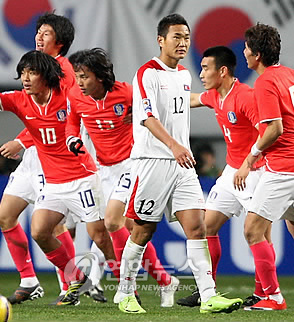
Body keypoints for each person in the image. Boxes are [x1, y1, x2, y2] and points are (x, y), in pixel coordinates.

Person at [0, 50, 118, 307]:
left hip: (83, 175)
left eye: (32, 72)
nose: (25, 79)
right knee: (39, 230)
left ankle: (125, 282)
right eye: (23, 73)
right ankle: (75, 278)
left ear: (47, 76)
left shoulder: (69, 97)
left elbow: (99, 103)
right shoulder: (20, 100)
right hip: (53, 180)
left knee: (99, 235)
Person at [113, 14, 243, 314]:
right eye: (176, 37)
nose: (183, 42)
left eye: (186, 37)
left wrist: (215, 97)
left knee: (196, 227)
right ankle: (125, 292)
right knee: (143, 230)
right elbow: (146, 117)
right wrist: (174, 146)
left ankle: (208, 295)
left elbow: (185, 102)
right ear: (161, 40)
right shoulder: (147, 73)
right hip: (153, 161)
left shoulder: (184, 75)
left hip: (181, 165)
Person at [234, 22, 294, 311]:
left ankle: (274, 297)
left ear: (257, 55)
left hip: (280, 169)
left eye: (247, 49)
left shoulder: (264, 82)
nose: (244, 52)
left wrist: (250, 157)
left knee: (252, 229)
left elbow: (274, 128)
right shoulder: (292, 75)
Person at [66, 48, 175, 307]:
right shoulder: (75, 95)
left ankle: (127, 287)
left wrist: (138, 115)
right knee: (125, 227)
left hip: (130, 164)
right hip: (101, 169)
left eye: (84, 77)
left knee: (113, 221)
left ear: (101, 77)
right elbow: (72, 121)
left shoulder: (126, 92)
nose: (79, 82)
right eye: (77, 76)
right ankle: (164, 281)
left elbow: (155, 111)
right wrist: (73, 138)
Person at [0, 12, 80, 305]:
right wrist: (24, 142)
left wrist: (19, 140)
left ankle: (71, 286)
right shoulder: (36, 71)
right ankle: (29, 281)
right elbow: (35, 117)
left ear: (61, 41)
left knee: (53, 225)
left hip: (56, 157)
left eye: (46, 33)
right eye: (38, 32)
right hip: (34, 155)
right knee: (5, 216)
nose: (38, 38)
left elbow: (62, 119)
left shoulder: (67, 75)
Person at [177, 46, 271, 308]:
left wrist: (249, 164)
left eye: (206, 68)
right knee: (207, 226)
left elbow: (267, 132)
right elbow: (193, 99)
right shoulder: (215, 96)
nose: (201, 73)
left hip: (255, 171)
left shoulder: (246, 97)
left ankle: (266, 294)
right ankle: (208, 290)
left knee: (260, 233)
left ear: (223, 71)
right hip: (232, 172)